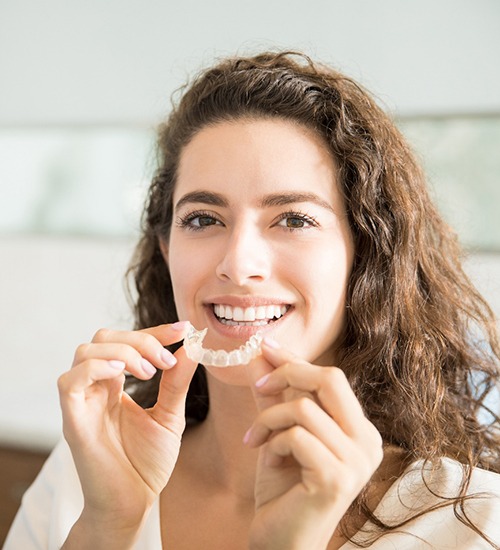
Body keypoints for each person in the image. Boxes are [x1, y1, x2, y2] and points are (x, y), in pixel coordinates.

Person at [5, 51, 500, 549]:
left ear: (366, 253)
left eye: (293, 219)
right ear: (166, 248)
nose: (238, 266)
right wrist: (107, 527)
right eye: (202, 219)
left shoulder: (472, 522)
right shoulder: (83, 479)